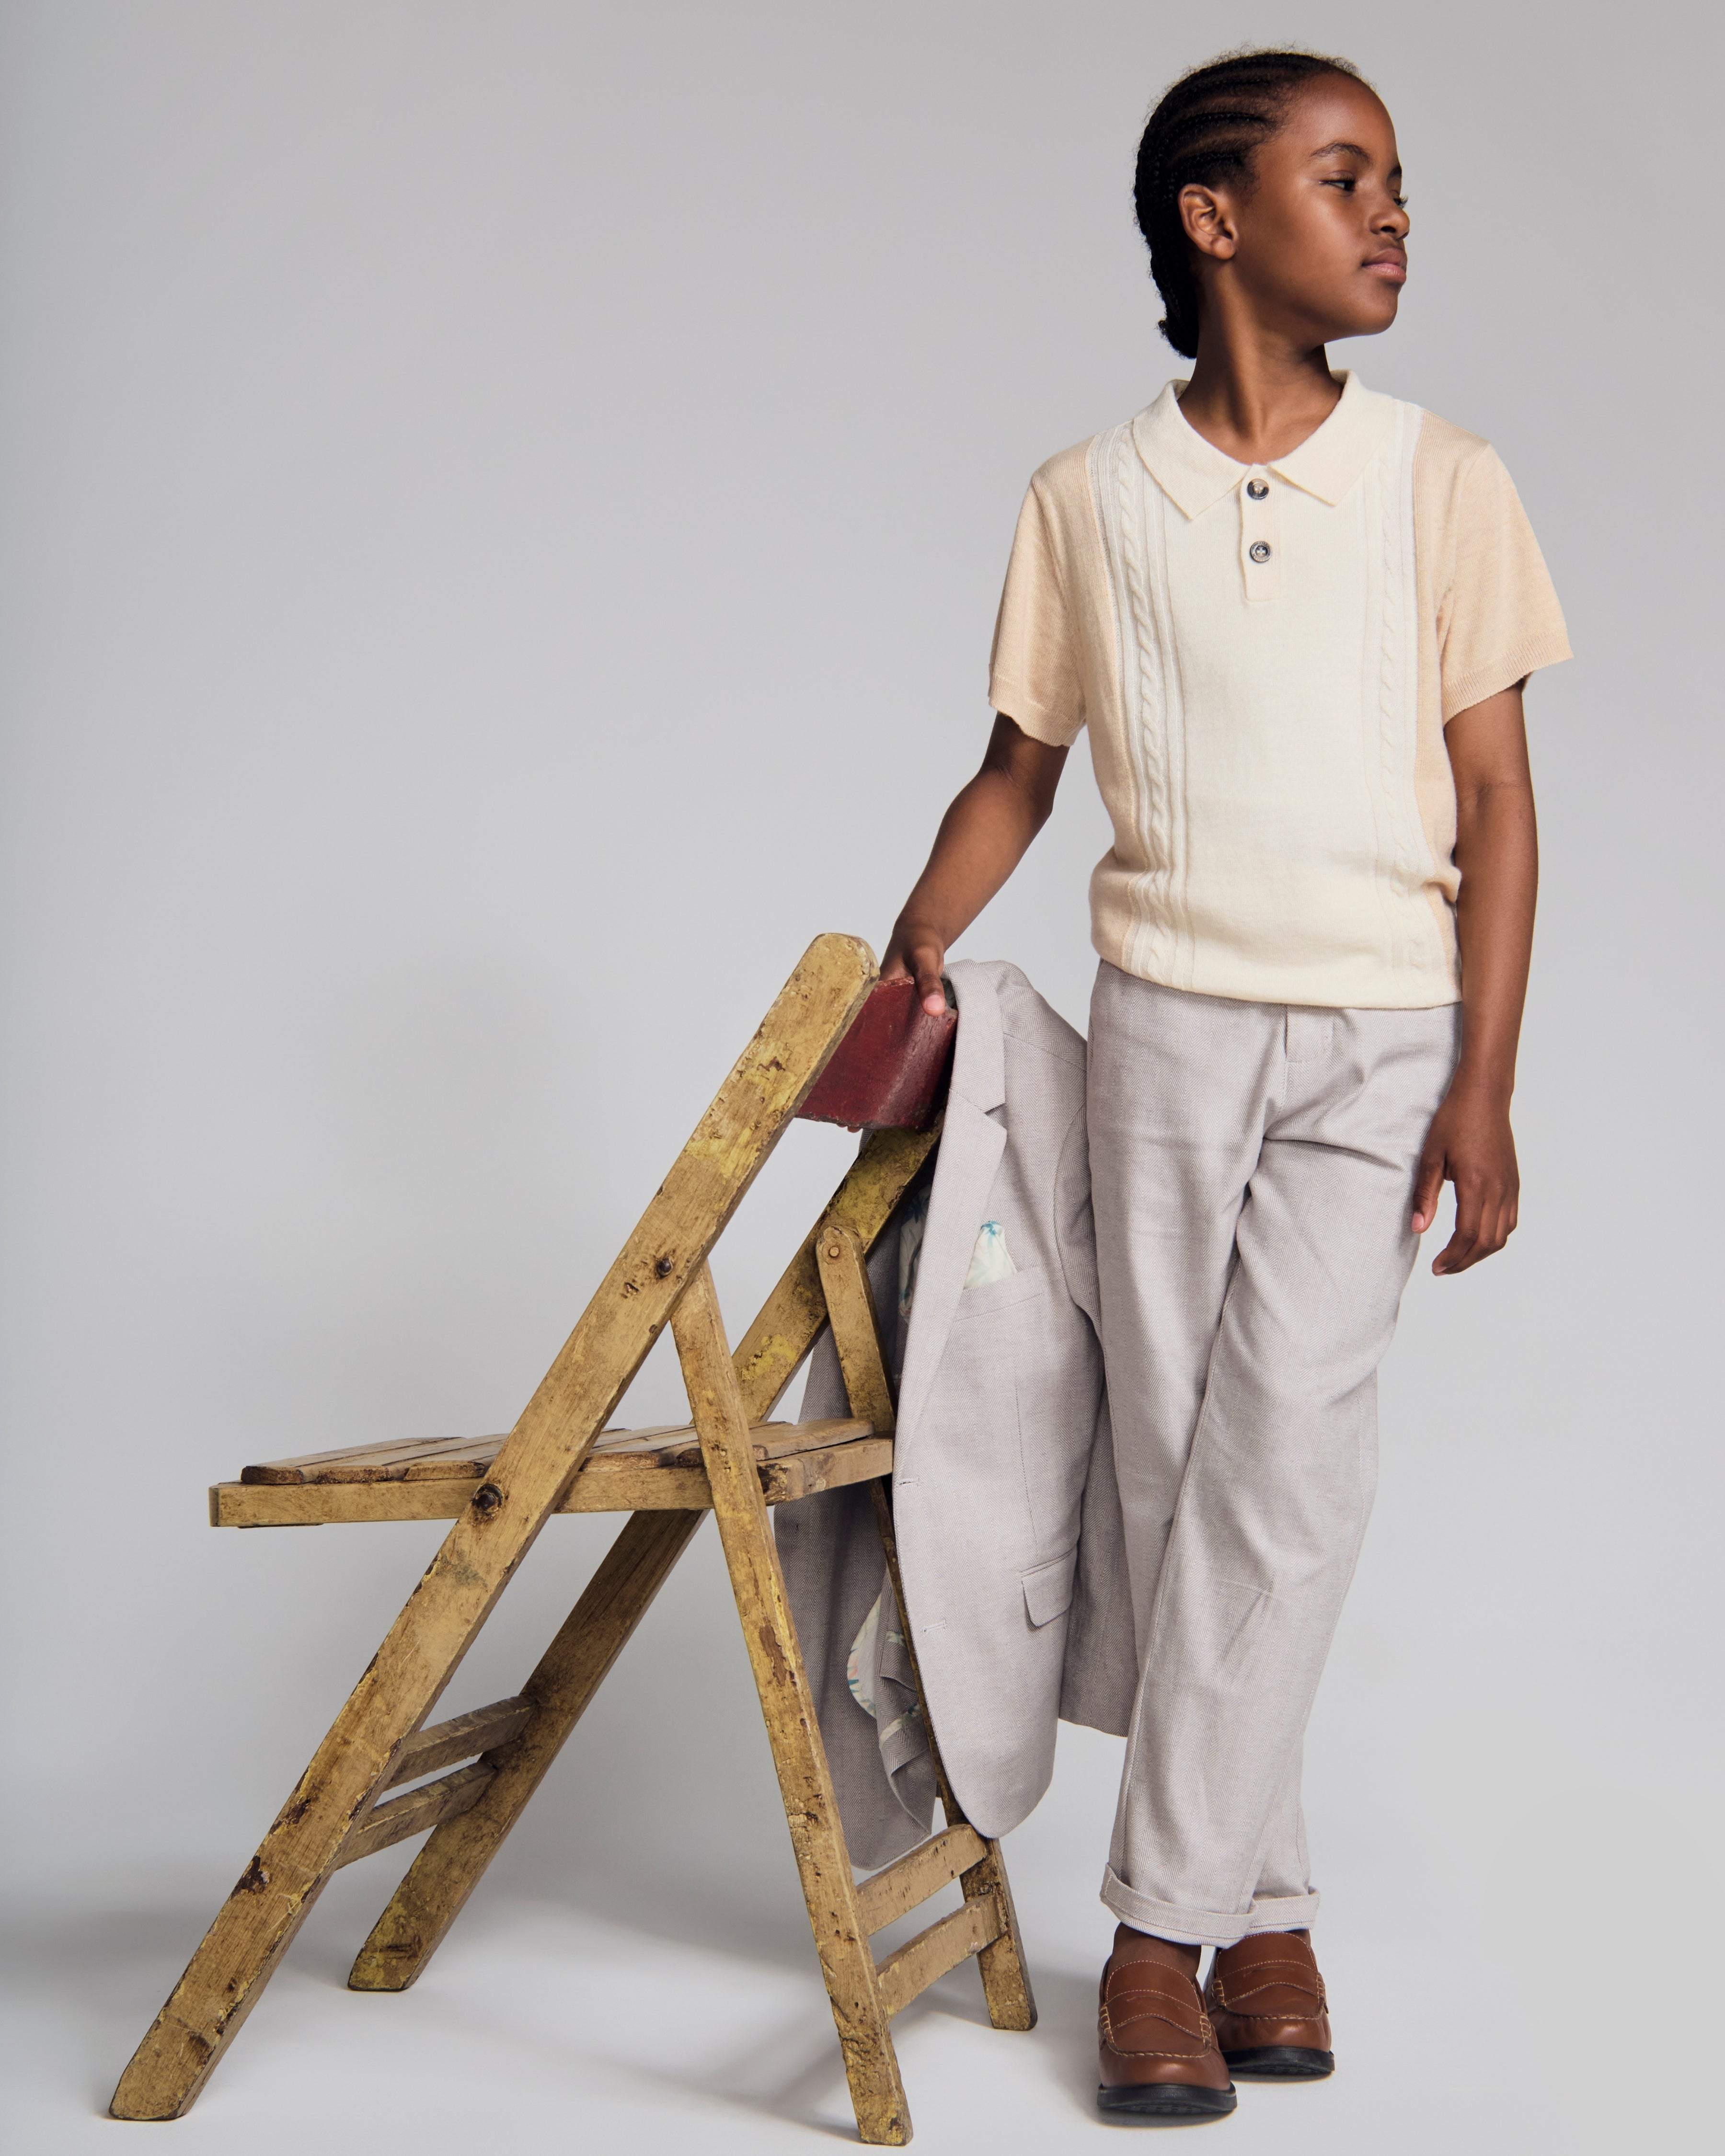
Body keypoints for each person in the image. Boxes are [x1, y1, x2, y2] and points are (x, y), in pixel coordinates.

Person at [880, 46, 1569, 2124]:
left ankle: (1153, 1939)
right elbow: (1019, 771)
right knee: (1176, 1474)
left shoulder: (1445, 480)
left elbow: (1500, 801)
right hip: (1165, 1029)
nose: (1392, 214)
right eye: (1345, 178)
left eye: (1396, 181)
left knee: (1289, 1472)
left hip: (1383, 1039)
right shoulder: (1087, 501)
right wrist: (908, 948)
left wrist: (1486, 1081)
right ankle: (1267, 1909)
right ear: (1214, 220)